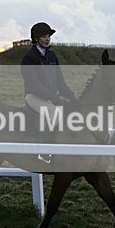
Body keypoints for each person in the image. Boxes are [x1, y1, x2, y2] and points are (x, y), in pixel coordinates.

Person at [21, 22, 77, 163]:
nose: (47, 39)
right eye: (44, 36)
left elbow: (60, 82)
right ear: (36, 39)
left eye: (48, 36)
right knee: (55, 113)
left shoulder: (52, 56)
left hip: (50, 97)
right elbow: (33, 85)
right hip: (34, 97)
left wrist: (73, 97)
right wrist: (54, 97)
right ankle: (42, 152)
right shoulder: (29, 58)